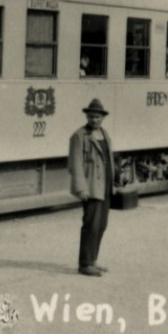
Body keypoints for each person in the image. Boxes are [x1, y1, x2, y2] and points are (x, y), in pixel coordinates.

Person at [68, 98, 113, 276]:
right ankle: (85, 264)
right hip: (92, 186)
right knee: (91, 225)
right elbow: (75, 164)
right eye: (91, 117)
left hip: (106, 186)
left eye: (97, 117)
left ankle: (93, 259)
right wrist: (81, 188)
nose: (94, 120)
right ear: (87, 117)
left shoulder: (104, 133)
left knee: (101, 225)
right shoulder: (79, 136)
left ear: (103, 118)